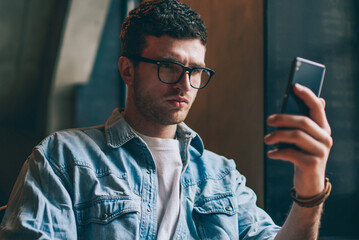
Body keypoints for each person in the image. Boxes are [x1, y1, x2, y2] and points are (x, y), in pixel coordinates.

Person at [0, 0, 333, 239]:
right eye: (169, 67)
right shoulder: (64, 156)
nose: (184, 85)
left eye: (196, 71)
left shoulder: (222, 176)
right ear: (127, 70)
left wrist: (310, 188)